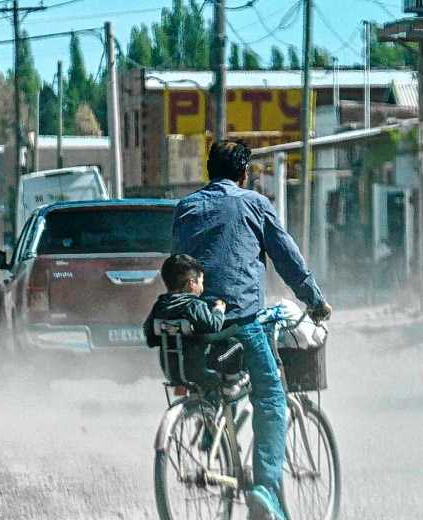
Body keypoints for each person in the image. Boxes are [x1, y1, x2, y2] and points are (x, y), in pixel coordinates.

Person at [172, 140, 332, 520]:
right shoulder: (255, 205)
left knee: (215, 381)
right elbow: (288, 260)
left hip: (193, 323)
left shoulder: (185, 208)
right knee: (272, 396)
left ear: (209, 171)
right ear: (244, 174)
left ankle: (210, 432)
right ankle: (264, 488)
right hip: (240, 322)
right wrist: (315, 301)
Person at [142, 253, 226, 363]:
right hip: (199, 368)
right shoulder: (194, 305)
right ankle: (232, 378)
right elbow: (213, 326)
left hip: (170, 369)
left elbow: (150, 338)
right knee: (234, 343)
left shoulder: (160, 305)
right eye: (201, 282)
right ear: (191, 283)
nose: (202, 287)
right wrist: (219, 310)